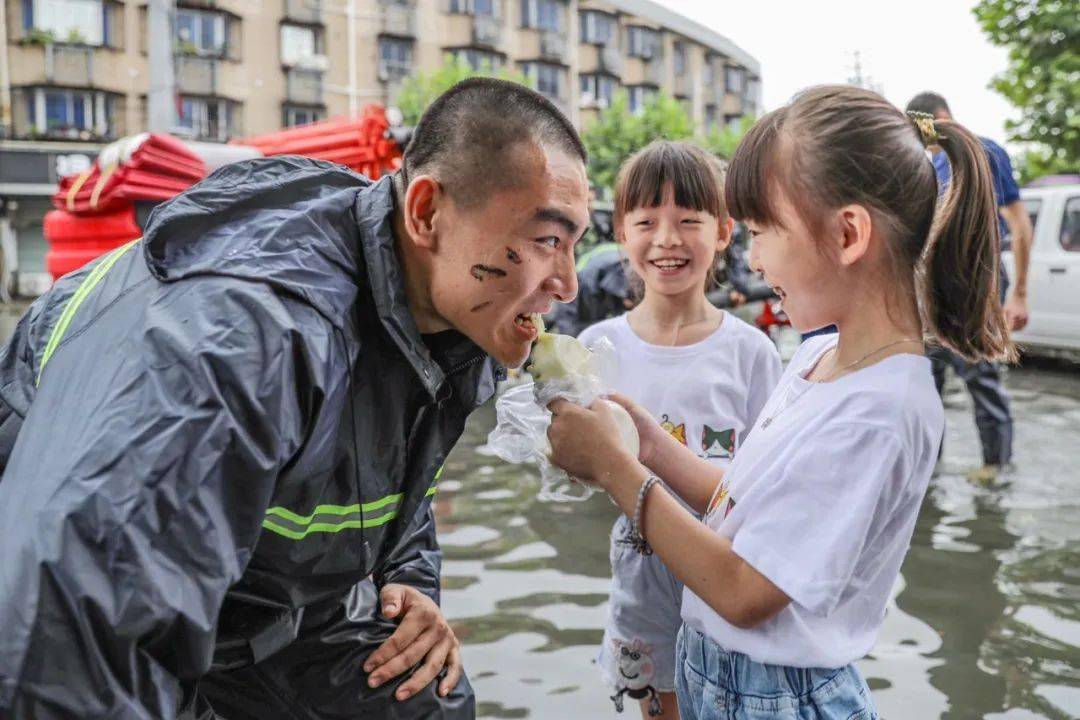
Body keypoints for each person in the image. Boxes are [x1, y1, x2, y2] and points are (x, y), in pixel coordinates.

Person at [0, 78, 590, 718]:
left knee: (424, 695)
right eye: (546, 242)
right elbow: (68, 641)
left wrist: (407, 583)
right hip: (66, 614)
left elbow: (388, 475)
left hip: (266, 607)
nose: (567, 284)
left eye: (574, 244)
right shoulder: (246, 339)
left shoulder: (451, 324)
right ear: (425, 213)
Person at [546, 85, 1013, 719]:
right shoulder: (820, 357)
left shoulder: (881, 410)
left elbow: (744, 590)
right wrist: (652, 445)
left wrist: (617, 470)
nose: (754, 260)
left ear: (848, 234)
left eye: (763, 232)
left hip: (776, 697)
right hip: (712, 669)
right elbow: (739, 505)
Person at [577, 140, 781, 719]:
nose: (666, 239)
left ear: (723, 232)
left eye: (689, 221)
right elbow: (580, 466)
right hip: (640, 583)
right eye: (647, 222)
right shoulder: (596, 350)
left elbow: (764, 489)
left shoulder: (752, 353)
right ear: (622, 232)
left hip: (724, 587)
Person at [906, 91, 1034, 478]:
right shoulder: (928, 168)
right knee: (927, 382)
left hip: (978, 279)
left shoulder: (983, 153)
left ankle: (996, 468)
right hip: (931, 283)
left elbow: (1019, 226)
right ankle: (929, 471)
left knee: (981, 378)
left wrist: (1019, 294)